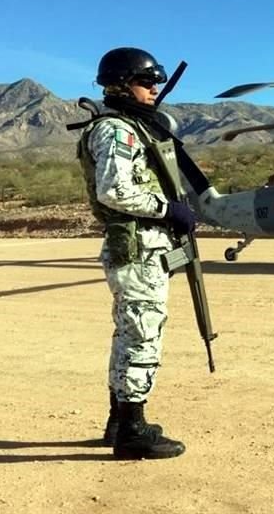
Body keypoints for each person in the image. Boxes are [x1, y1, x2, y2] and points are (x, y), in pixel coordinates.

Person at [78, 47, 196, 460]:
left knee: (130, 332)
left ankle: (120, 420)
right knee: (142, 333)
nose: (153, 89)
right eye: (147, 82)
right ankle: (132, 430)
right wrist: (168, 209)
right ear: (122, 84)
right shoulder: (116, 130)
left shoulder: (127, 126)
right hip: (138, 246)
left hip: (142, 246)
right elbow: (114, 190)